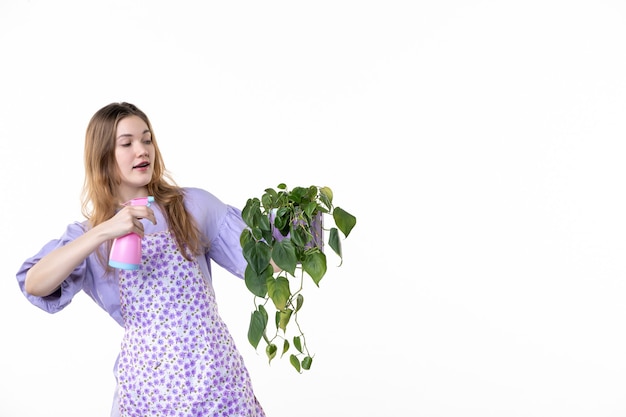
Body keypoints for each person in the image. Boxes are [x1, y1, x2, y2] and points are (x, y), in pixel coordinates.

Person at [15, 102, 266, 417]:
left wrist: (302, 226)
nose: (142, 150)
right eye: (127, 143)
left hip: (216, 384)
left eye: (147, 139)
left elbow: (263, 263)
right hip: (148, 392)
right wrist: (103, 231)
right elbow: (35, 283)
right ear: (104, 155)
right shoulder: (89, 236)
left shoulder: (192, 206)